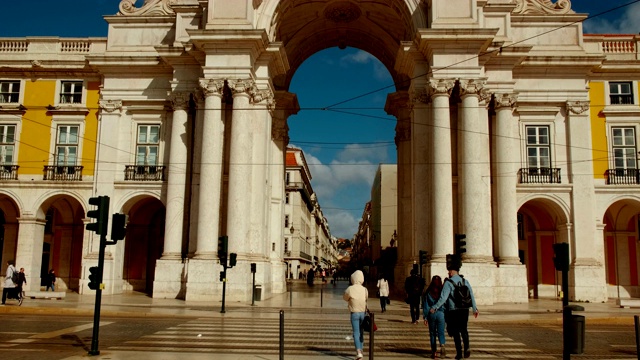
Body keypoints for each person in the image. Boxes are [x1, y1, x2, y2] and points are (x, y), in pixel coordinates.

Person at [430, 255, 479, 359]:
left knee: (456, 332)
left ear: (451, 271)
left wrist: (435, 307)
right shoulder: (465, 281)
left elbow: (443, 298)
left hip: (454, 310)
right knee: (464, 330)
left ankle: (459, 353)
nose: (448, 273)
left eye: (449, 271)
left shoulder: (448, 283)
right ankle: (467, 347)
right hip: (465, 310)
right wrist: (475, 308)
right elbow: (471, 295)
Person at [343, 270, 368, 359]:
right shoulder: (365, 289)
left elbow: (345, 298)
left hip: (354, 313)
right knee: (361, 333)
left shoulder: (350, 288)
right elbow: (366, 298)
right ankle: (361, 350)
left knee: (356, 333)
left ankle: (358, 351)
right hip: (363, 313)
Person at [423, 275, 446, 358]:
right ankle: (442, 345)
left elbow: (426, 306)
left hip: (431, 314)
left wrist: (425, 317)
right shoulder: (443, 291)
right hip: (441, 314)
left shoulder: (428, 291)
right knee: (441, 332)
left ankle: (434, 352)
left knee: (432, 333)